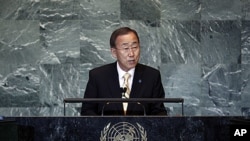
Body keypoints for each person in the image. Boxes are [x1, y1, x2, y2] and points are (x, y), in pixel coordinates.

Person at [81, 27, 167, 116]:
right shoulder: (98, 76)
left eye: (135, 47)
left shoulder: (151, 76)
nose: (131, 54)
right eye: (126, 48)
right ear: (114, 52)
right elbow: (87, 112)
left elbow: (159, 113)